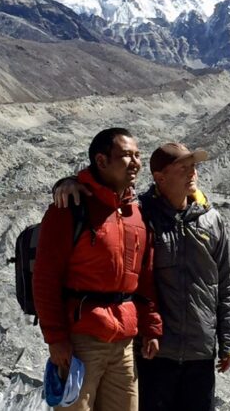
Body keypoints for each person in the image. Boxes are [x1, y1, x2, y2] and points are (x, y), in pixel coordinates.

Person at [55, 142, 230, 411]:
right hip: (154, 352)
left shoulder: (212, 220)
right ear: (160, 178)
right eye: (184, 168)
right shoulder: (139, 214)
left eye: (194, 167)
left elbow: (225, 285)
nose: (193, 174)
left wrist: (229, 342)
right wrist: (67, 182)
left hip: (200, 351)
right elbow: (105, 193)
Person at [34, 128, 162, 411]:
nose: (136, 163)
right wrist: (56, 339)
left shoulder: (136, 213)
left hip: (125, 340)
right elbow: (45, 279)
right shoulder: (69, 208)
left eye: (138, 155)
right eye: (126, 156)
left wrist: (151, 326)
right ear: (101, 161)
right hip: (81, 341)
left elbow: (145, 276)